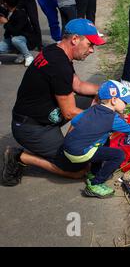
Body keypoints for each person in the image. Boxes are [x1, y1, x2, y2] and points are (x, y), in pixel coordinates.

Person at [2, 18, 105, 187]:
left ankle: (69, 146)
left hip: (47, 114)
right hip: (32, 128)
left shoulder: (56, 51)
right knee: (78, 169)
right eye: (90, 44)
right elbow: (70, 112)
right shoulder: (58, 66)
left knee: (96, 97)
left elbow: (78, 85)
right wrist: (106, 117)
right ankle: (19, 156)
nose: (92, 50)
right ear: (75, 40)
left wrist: (110, 90)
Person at [58, 80, 130, 198]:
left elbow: (75, 121)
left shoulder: (93, 109)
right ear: (114, 100)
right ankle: (95, 184)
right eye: (124, 101)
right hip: (79, 153)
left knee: (105, 140)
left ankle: (93, 173)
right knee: (118, 155)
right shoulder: (112, 120)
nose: (127, 104)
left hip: (67, 147)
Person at [0, 0, 38, 66]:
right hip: (12, 40)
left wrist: (6, 22)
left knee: (16, 39)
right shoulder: (8, 11)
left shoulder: (21, 14)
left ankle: (28, 56)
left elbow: (15, 32)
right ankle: (21, 53)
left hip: (26, 40)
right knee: (3, 45)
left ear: (6, 3)